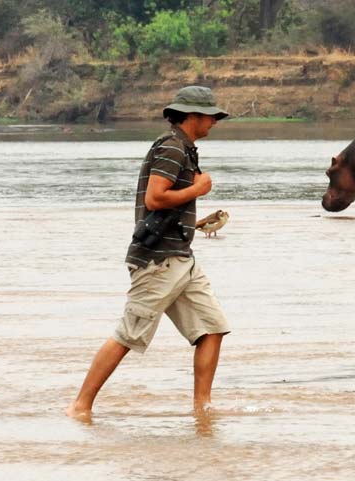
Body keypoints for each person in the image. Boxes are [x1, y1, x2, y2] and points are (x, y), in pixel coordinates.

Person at [66, 86, 233, 421]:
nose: (214, 121)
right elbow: (155, 199)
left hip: (181, 257)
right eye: (210, 115)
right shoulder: (171, 147)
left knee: (212, 327)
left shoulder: (184, 148)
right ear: (192, 116)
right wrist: (199, 189)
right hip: (158, 260)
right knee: (129, 334)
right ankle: (80, 406)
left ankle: (203, 409)